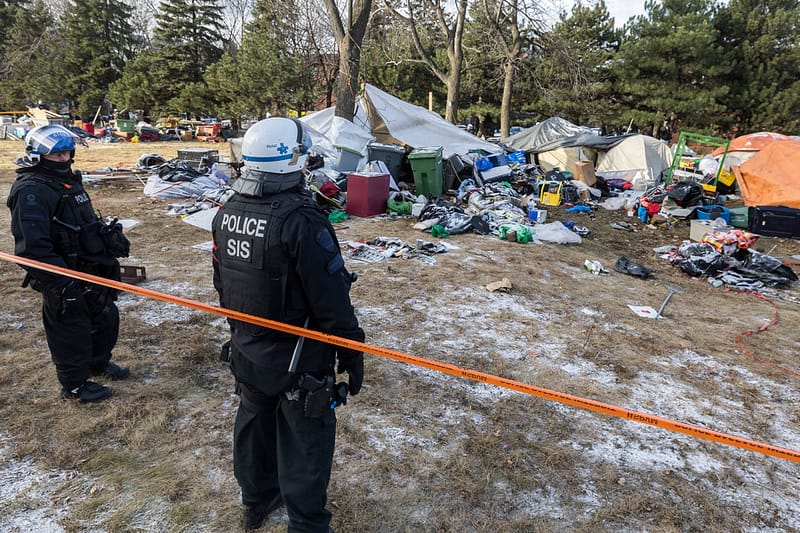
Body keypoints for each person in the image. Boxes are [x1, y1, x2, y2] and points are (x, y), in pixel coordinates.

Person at [211, 117, 365, 532]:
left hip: (247, 350)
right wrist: (352, 352)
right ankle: (306, 524)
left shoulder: (227, 212)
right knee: (305, 444)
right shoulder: (303, 221)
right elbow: (331, 298)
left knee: (254, 425)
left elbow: (221, 281)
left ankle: (256, 502)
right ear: (290, 159)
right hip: (297, 359)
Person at [6, 124, 131, 404]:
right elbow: (31, 247)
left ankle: (97, 364)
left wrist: (106, 236)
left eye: (66, 153)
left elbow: (77, 221)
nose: (63, 159)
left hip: (90, 268)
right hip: (61, 275)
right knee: (70, 329)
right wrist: (61, 284)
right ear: (38, 156)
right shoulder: (31, 191)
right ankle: (74, 385)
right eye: (56, 155)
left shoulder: (68, 181)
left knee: (105, 316)